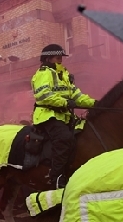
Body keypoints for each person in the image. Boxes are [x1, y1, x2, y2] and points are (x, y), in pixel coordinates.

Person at [31, 44, 96, 189]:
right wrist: (65, 102)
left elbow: (77, 96)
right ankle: (57, 178)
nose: (60, 60)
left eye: (61, 58)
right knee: (64, 138)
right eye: (57, 58)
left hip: (64, 116)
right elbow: (43, 96)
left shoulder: (65, 74)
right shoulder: (43, 73)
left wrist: (96, 103)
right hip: (47, 115)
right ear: (48, 59)